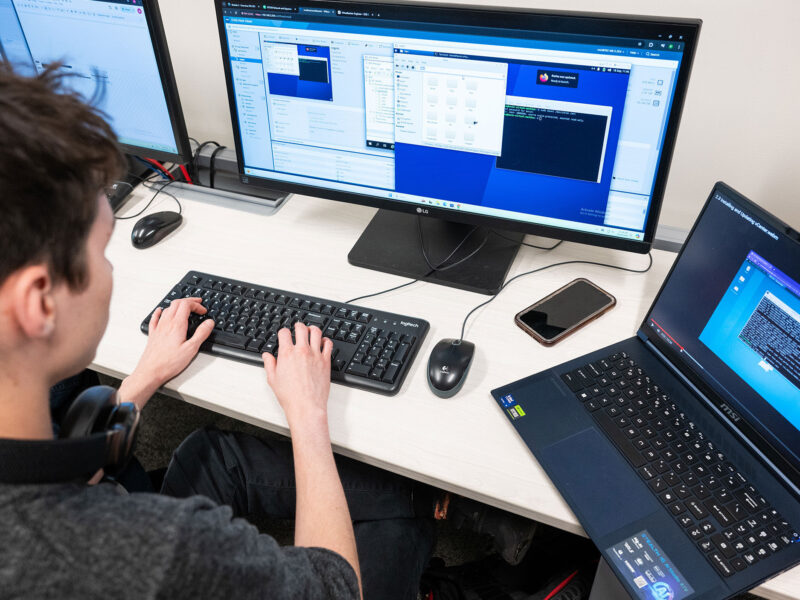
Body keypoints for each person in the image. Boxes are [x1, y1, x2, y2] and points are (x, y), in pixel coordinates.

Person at [0, 62, 443, 599]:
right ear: (37, 300)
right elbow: (332, 587)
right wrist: (307, 414)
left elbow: (58, 479)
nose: (112, 270)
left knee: (211, 453)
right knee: (397, 508)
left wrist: (144, 375)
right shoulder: (164, 548)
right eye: (100, 252)